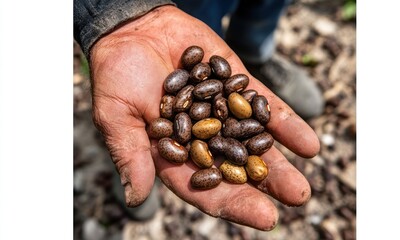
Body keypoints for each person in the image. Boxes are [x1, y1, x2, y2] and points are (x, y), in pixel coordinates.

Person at [74, 0, 321, 231]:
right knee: (199, 8)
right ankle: (148, 156)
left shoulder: (219, 109)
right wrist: (115, 13)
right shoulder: (196, 102)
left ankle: (254, 52)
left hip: (210, 107)